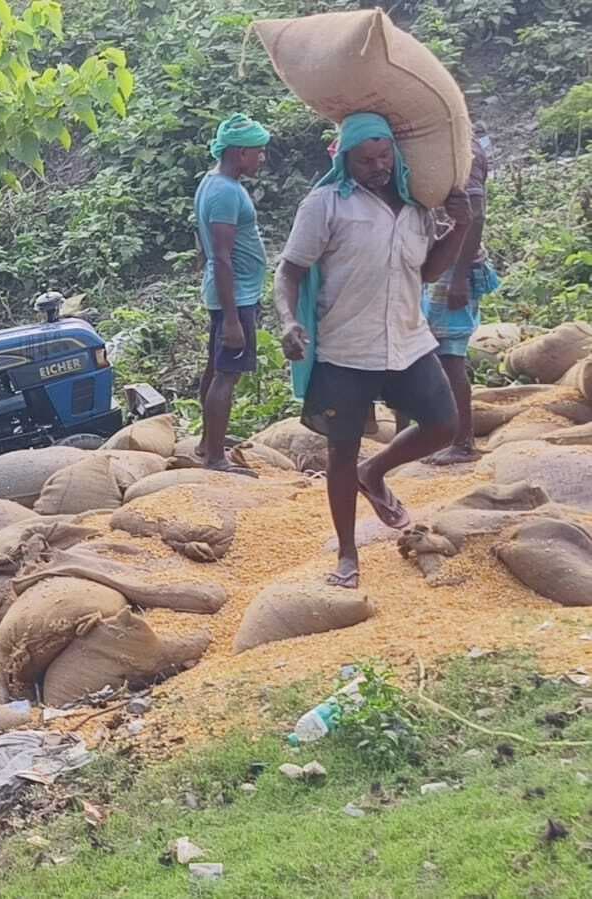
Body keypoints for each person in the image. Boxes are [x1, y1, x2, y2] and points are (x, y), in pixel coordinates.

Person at [274, 113, 473, 588]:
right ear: (345, 160)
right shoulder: (326, 205)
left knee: (444, 425)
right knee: (340, 452)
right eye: (366, 160)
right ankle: (347, 554)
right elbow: (289, 270)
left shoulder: (417, 206)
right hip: (346, 349)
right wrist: (287, 320)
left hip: (408, 340)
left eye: (384, 156)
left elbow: (425, 273)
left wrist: (460, 227)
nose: (378, 167)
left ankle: (375, 471)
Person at [193, 114, 271, 475]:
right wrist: (231, 319)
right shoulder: (224, 192)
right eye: (259, 151)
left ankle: (208, 441)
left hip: (234, 294)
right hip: (234, 297)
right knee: (226, 374)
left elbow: (207, 249)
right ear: (240, 153)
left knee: (216, 368)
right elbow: (221, 256)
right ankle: (215, 458)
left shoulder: (216, 184)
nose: (262, 158)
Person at [418, 132, 499, 464]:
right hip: (439, 262)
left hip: (454, 267)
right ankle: (444, 434)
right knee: (434, 353)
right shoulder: (441, 145)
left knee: (449, 356)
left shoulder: (466, 150)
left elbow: (475, 216)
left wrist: (460, 277)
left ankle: (463, 442)